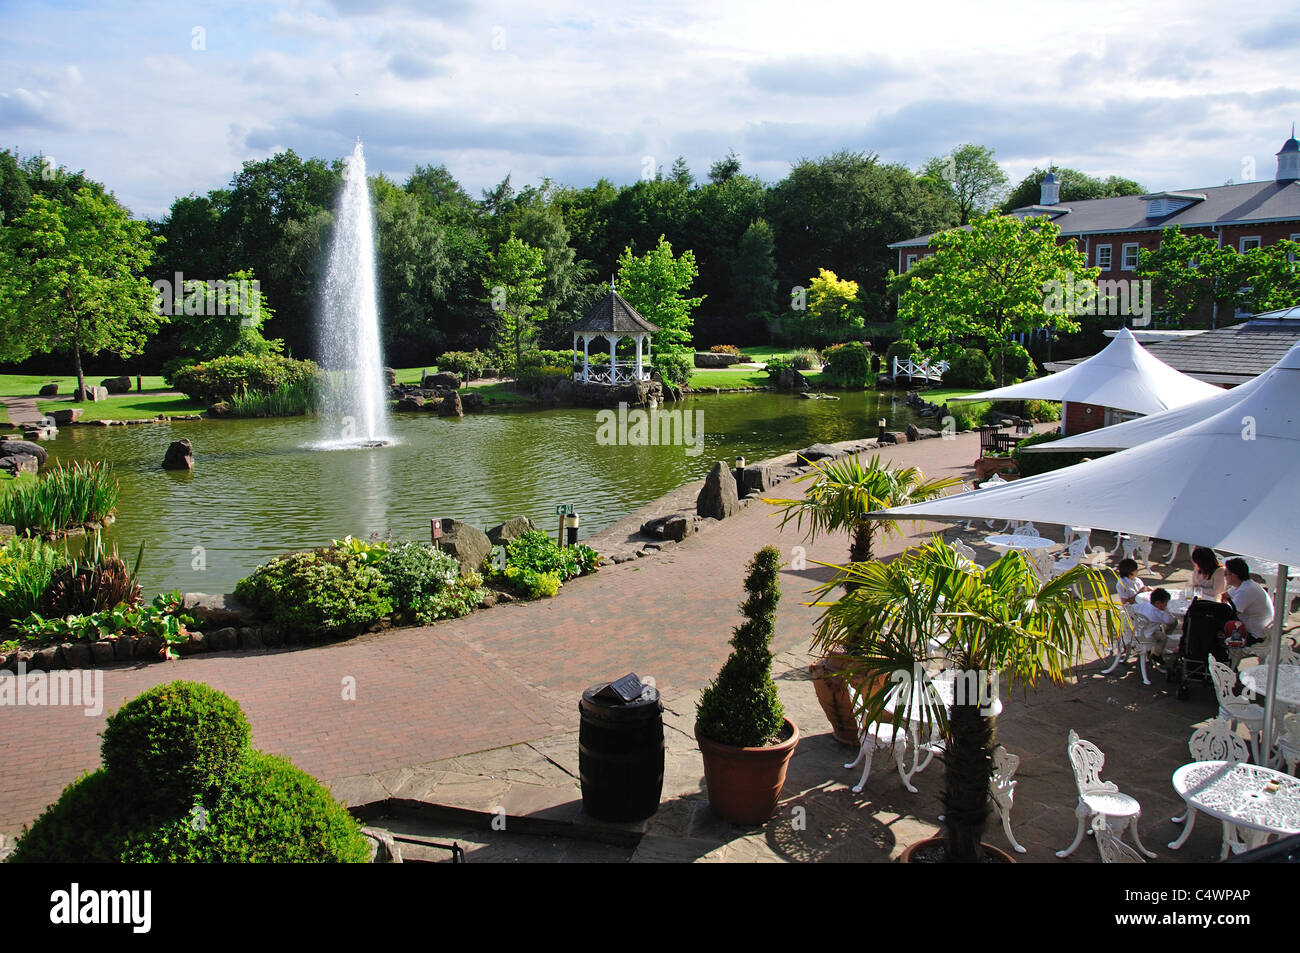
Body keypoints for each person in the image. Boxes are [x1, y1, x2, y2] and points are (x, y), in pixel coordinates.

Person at [1224, 557, 1274, 643]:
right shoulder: (1243, 584)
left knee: (1214, 628)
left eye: (1226, 573)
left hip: (1254, 634)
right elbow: (1225, 595)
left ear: (1234, 575)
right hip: (1250, 627)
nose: (1224, 576)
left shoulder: (1246, 590)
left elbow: (1230, 613)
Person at [1131, 587, 1179, 659]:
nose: (1166, 605)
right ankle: (1156, 654)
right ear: (1158, 603)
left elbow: (1132, 607)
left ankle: (1155, 650)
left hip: (1136, 631)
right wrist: (1166, 610)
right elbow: (1170, 621)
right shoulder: (1159, 613)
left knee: (1157, 629)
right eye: (1165, 603)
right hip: (1147, 636)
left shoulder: (1144, 605)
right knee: (1163, 638)